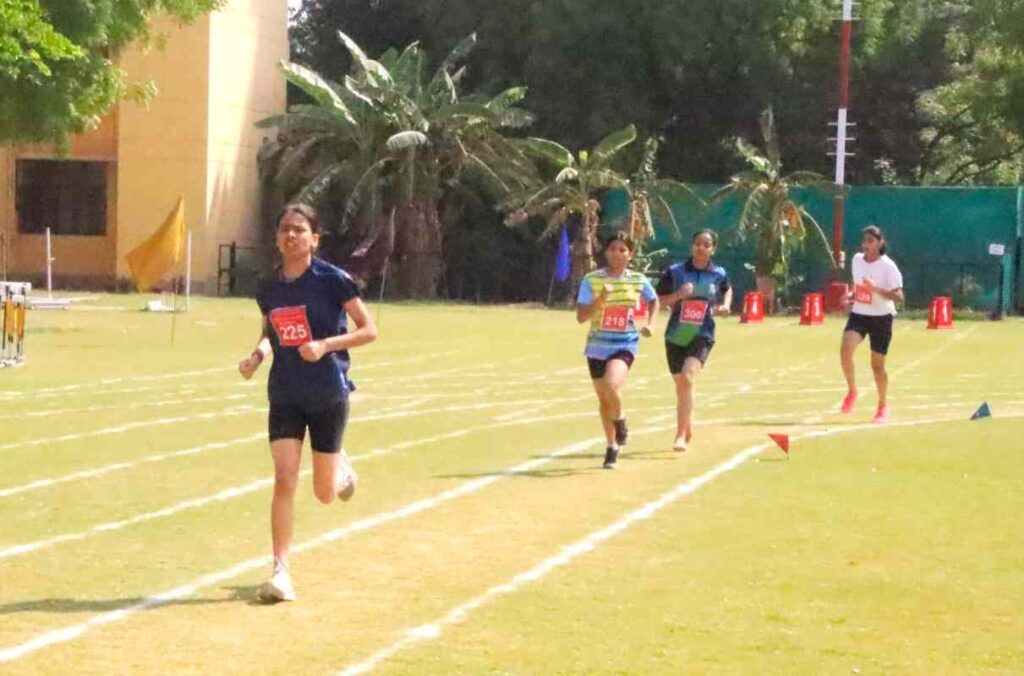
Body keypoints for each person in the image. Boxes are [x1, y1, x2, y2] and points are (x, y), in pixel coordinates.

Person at [238, 203, 378, 603]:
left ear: (314, 239)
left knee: (323, 493)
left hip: (327, 392)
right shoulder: (269, 288)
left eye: (300, 229)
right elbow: (272, 333)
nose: (291, 235)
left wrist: (325, 345)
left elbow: (369, 330)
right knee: (284, 478)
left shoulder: (333, 280)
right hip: (285, 390)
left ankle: (339, 467)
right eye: (285, 229)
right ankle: (281, 571)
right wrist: (257, 357)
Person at [576, 232, 659, 469]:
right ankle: (611, 446)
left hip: (624, 343)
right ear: (606, 252)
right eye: (613, 248)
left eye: (623, 249)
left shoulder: (638, 280)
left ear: (630, 254)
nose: (617, 253)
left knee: (612, 385)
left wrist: (652, 324)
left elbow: (654, 301)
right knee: (603, 399)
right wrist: (599, 301)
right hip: (596, 346)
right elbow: (582, 317)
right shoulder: (591, 280)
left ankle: (621, 420)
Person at [656, 229, 732, 453]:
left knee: (688, 378)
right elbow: (658, 301)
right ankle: (687, 426)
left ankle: (680, 435)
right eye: (697, 243)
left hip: (703, 333)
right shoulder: (675, 272)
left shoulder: (718, 273)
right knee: (681, 385)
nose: (701, 248)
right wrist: (678, 295)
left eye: (706, 245)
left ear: (713, 249)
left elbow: (727, 289)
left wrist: (725, 305)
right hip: (676, 335)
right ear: (692, 246)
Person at [840, 225, 904, 423]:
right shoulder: (857, 260)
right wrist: (850, 295)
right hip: (860, 313)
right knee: (845, 349)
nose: (866, 244)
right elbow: (858, 286)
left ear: (880, 243)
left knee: (877, 366)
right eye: (864, 241)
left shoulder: (888, 266)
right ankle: (852, 392)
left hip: (881, 317)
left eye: (871, 241)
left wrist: (875, 288)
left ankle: (883, 405)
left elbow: (899, 296)